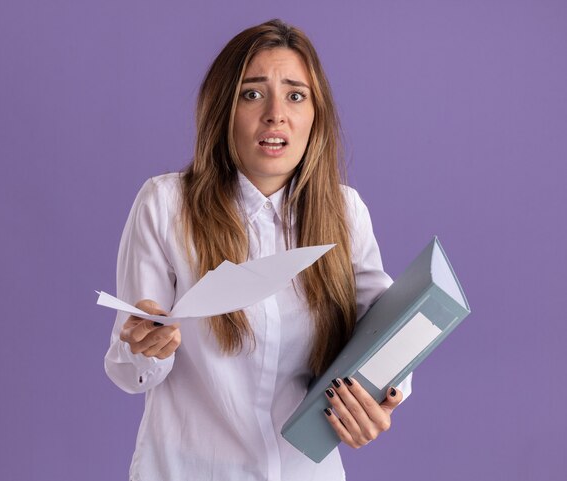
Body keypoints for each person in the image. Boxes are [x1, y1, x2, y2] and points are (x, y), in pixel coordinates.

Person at [105, 19, 412, 481]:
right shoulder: (165, 205)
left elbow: (389, 331)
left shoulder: (346, 213)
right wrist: (146, 345)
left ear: (316, 115)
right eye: (252, 94)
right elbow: (130, 373)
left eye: (295, 95)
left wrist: (381, 396)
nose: (276, 114)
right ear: (222, 109)